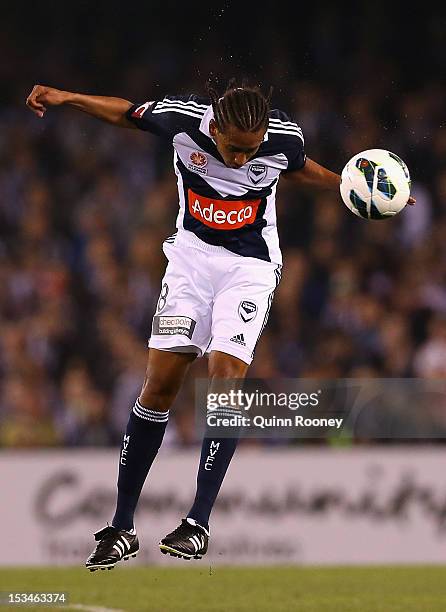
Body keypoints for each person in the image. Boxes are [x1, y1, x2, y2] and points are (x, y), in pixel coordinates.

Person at [26, 80, 414, 570]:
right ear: (216, 126)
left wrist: (364, 189)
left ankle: (197, 524)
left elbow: (299, 169)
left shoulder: (282, 139)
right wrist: (68, 99)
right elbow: (126, 113)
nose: (239, 159)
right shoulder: (182, 122)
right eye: (233, 148)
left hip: (249, 268)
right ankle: (121, 527)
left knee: (226, 380)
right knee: (159, 387)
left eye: (249, 152)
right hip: (190, 262)